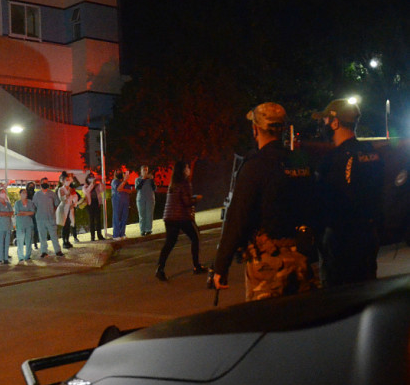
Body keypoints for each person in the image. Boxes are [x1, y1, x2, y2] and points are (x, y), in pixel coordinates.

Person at [212, 102, 319, 300]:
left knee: (266, 323)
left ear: (255, 129)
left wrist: (221, 265)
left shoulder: (255, 166)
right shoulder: (301, 163)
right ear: (283, 130)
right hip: (303, 260)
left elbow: (238, 218)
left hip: (269, 265)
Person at [313, 98, 385, 286]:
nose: (324, 125)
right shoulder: (370, 152)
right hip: (369, 235)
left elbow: (324, 200)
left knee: (340, 298)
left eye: (326, 120)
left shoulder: (333, 160)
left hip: (341, 241)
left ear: (335, 123)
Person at [155, 161, 208, 281]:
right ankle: (196, 266)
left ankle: (160, 268)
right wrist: (196, 199)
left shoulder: (173, 184)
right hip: (181, 217)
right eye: (187, 168)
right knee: (195, 237)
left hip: (169, 217)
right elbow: (186, 202)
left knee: (169, 243)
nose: (189, 170)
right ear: (184, 171)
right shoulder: (185, 183)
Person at [34, 178, 64, 258]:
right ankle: (44, 251)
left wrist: (52, 211)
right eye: (44, 183)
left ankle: (58, 251)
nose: (46, 184)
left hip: (51, 218)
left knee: (54, 235)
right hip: (40, 219)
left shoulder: (52, 194)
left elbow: (56, 204)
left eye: (47, 183)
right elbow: (35, 206)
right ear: (41, 184)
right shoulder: (37, 195)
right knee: (42, 236)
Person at [14, 188, 36, 261]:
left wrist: (23, 212)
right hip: (20, 225)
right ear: (20, 194)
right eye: (23, 193)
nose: (25, 194)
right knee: (20, 241)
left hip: (29, 224)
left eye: (25, 192)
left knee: (28, 241)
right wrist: (27, 213)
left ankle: (28, 255)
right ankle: (20, 256)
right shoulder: (17, 203)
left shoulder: (30, 202)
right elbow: (18, 213)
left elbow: (32, 212)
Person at [111, 170, 133, 239]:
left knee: (124, 217)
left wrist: (123, 187)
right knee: (117, 217)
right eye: (117, 172)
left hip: (125, 202)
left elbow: (129, 191)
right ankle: (116, 235)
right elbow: (118, 189)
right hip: (117, 202)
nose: (119, 173)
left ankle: (122, 233)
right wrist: (124, 182)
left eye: (121, 172)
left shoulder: (126, 182)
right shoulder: (114, 181)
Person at [0, 188, 14, 264]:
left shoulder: (8, 204)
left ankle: (5, 258)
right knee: (1, 242)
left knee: (7, 242)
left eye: (4, 192)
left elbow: (12, 212)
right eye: (2, 193)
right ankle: (0, 258)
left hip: (8, 226)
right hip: (0, 227)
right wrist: (7, 214)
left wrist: (5, 214)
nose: (3, 194)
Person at [135, 166, 157, 236]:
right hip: (141, 199)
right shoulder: (138, 179)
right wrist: (143, 179)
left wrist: (152, 180)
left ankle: (148, 229)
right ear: (141, 171)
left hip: (150, 199)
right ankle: (142, 230)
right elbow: (138, 187)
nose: (145, 171)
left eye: (146, 170)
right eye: (143, 170)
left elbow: (154, 188)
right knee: (142, 215)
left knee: (149, 214)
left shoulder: (150, 180)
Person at [83, 173, 105, 241]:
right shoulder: (85, 186)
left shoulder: (97, 185)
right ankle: (92, 236)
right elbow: (87, 192)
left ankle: (99, 235)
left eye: (93, 178)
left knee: (98, 220)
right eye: (90, 178)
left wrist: (100, 182)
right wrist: (92, 184)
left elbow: (102, 190)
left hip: (97, 203)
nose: (92, 179)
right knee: (91, 220)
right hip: (90, 204)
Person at [57, 183, 79, 248]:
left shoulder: (73, 193)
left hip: (69, 210)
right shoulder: (61, 190)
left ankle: (67, 240)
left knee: (68, 226)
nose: (73, 190)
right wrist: (68, 193)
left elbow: (75, 200)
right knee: (64, 226)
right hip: (63, 210)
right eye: (72, 189)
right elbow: (62, 199)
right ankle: (64, 242)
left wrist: (74, 204)